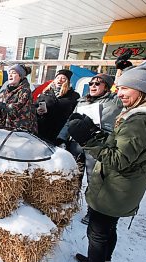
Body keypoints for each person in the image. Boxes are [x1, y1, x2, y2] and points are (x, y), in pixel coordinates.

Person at [60, 57, 146, 262]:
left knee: (97, 231)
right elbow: (117, 147)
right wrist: (94, 133)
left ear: (141, 90)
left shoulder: (139, 121)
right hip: (123, 186)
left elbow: (118, 160)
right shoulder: (139, 114)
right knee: (108, 229)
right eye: (118, 88)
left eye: (125, 88)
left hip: (116, 187)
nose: (119, 93)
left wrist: (88, 138)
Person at [57, 73, 123, 224]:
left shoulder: (114, 101)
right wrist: (62, 137)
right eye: (91, 83)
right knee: (73, 177)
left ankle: (92, 211)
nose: (93, 86)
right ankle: (69, 205)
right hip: (76, 145)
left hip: (97, 145)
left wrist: (122, 69)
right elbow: (70, 121)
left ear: (106, 87)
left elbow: (126, 90)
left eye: (97, 84)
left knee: (95, 180)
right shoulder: (82, 101)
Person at [0, 64, 38, 134]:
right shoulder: (3, 92)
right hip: (1, 131)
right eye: (9, 73)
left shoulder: (25, 91)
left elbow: (19, 110)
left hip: (18, 133)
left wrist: (2, 105)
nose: (10, 75)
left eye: (14, 73)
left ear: (21, 76)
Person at [36, 69, 80, 143]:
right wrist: (37, 111)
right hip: (42, 131)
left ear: (68, 81)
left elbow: (74, 114)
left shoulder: (74, 96)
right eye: (58, 77)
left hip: (59, 133)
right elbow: (34, 107)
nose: (60, 80)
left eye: (63, 78)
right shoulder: (45, 93)